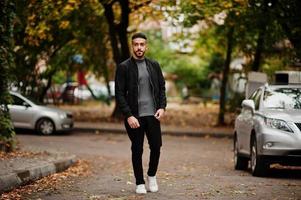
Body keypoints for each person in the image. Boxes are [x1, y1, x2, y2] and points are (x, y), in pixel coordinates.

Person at [115, 32, 166, 194]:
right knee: (137, 149)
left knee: (156, 147)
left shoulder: (154, 65)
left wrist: (162, 107)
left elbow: (162, 88)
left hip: (153, 115)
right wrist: (128, 115)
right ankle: (139, 182)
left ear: (146, 46)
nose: (139, 47)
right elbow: (119, 93)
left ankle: (151, 176)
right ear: (132, 46)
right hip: (135, 117)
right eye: (136, 44)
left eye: (142, 44)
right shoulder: (124, 67)